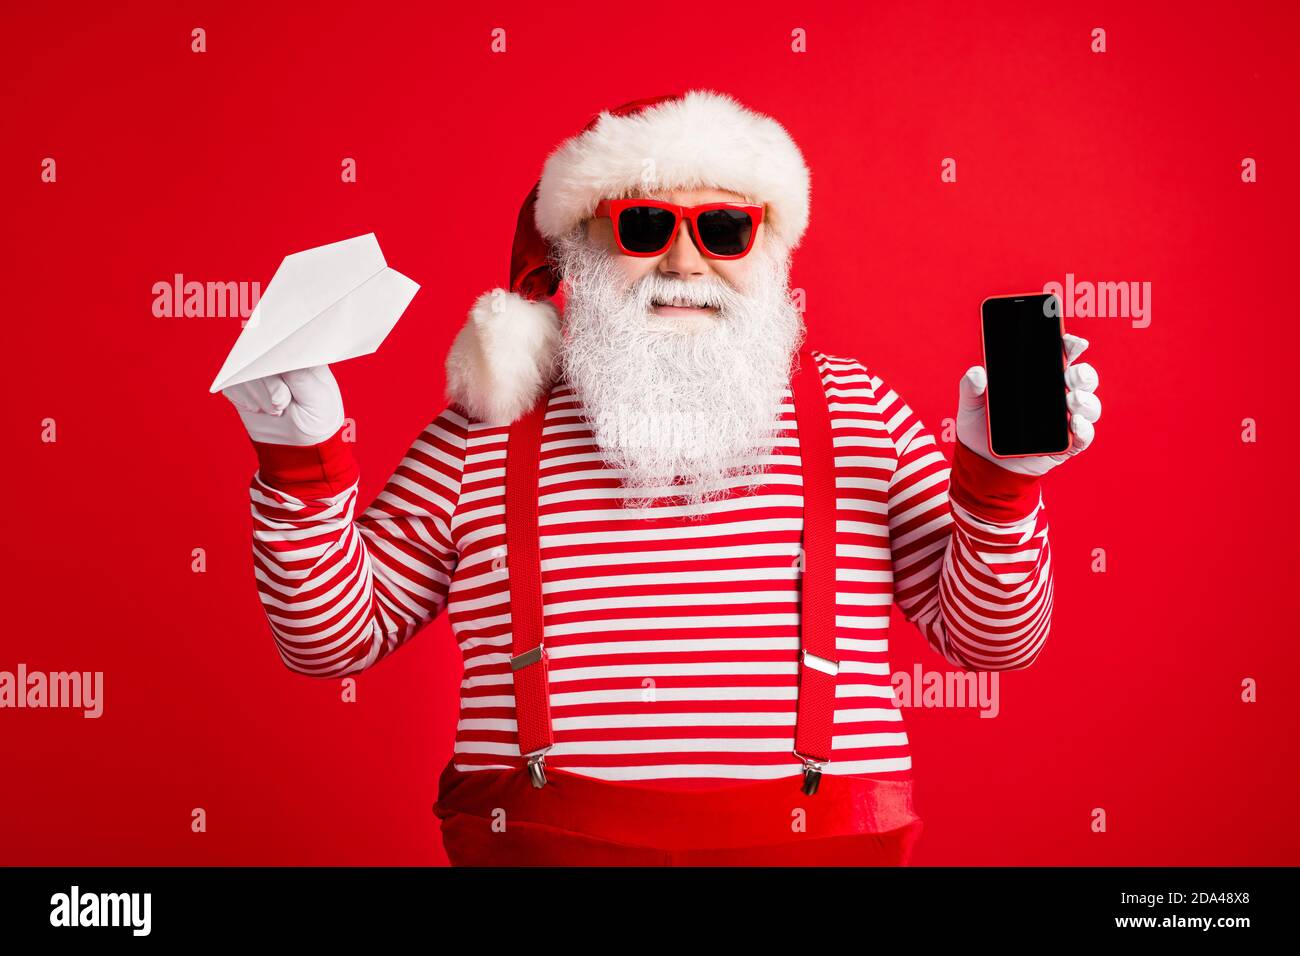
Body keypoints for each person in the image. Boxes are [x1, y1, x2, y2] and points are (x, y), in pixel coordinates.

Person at [220, 89, 1102, 866]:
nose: (685, 264)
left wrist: (999, 481)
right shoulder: (491, 421)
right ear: (579, 250)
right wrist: (301, 461)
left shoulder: (856, 409)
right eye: (645, 226)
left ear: (771, 252)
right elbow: (332, 643)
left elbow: (990, 643)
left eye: (725, 228)